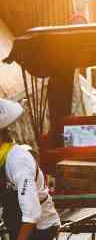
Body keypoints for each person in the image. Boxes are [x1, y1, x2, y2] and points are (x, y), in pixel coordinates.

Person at [0, 98, 60, 240]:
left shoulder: (17, 160)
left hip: (41, 229)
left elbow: (31, 213)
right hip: (15, 223)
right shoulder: (2, 157)